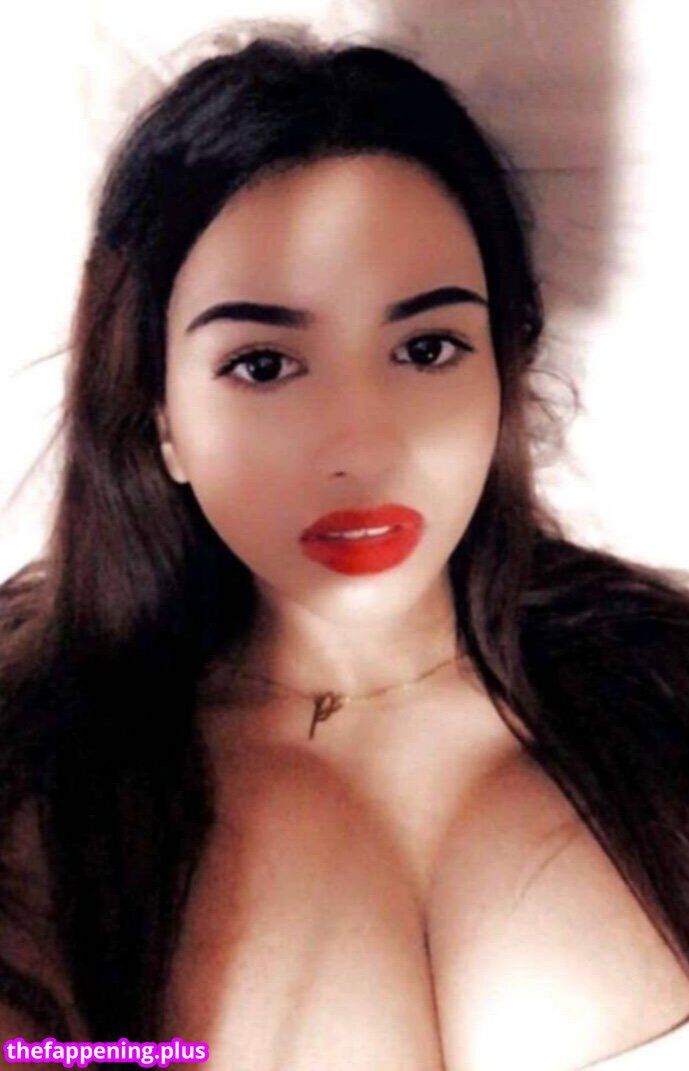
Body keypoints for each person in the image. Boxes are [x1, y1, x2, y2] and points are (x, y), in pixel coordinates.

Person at [1, 28, 689, 1071]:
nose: (362, 447)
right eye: (264, 364)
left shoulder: (668, 691)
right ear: (159, 416)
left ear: (502, 371)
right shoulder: (32, 804)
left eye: (426, 347)